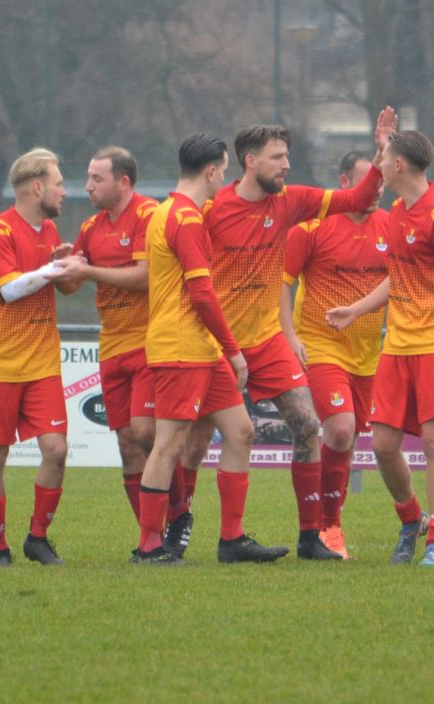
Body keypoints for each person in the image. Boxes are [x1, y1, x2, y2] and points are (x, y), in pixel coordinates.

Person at [178, 110, 396, 561]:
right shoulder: (211, 209)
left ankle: (310, 537)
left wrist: (380, 156)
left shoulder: (291, 201)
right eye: (278, 157)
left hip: (266, 339)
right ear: (250, 161)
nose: (287, 165)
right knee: (196, 442)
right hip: (216, 343)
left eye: (287, 156)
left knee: (308, 426)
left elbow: (358, 196)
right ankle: (177, 530)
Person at [327, 129, 434, 567]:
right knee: (383, 444)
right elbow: (398, 276)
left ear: (399, 165)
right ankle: (410, 519)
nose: (379, 166)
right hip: (398, 346)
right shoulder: (398, 212)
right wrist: (355, 310)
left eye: (383, 159)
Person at [134, 133, 289, 565]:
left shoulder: (167, 210)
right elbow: (202, 294)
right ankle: (148, 545)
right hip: (181, 347)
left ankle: (232, 540)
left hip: (200, 348)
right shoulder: (185, 219)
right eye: (223, 169)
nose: (225, 177)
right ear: (210, 171)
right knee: (169, 445)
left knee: (241, 431)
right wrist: (234, 350)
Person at [0, 147, 85, 567]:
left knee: (56, 450)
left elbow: (63, 287)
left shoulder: (50, 230)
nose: (64, 191)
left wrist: (68, 267)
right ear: (37, 187)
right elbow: (10, 289)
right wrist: (53, 270)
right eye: (58, 183)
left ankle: (37, 538)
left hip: (42, 364)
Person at [279, 151, 390, 559]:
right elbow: (281, 283)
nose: (376, 190)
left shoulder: (391, 227)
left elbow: (405, 278)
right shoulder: (312, 227)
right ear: (344, 183)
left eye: (381, 183)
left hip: (368, 354)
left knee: (348, 440)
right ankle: (327, 527)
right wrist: (290, 336)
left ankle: (328, 524)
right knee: (340, 430)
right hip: (320, 346)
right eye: (367, 181)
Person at [66, 146, 164, 527]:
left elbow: (145, 277)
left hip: (149, 342)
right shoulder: (90, 227)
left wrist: (88, 272)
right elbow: (71, 286)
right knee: (127, 444)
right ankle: (150, 536)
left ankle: (176, 517)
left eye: (96, 178)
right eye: (88, 177)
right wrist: (62, 268)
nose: (87, 186)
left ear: (123, 183)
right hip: (111, 346)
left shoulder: (148, 214)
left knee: (146, 433)